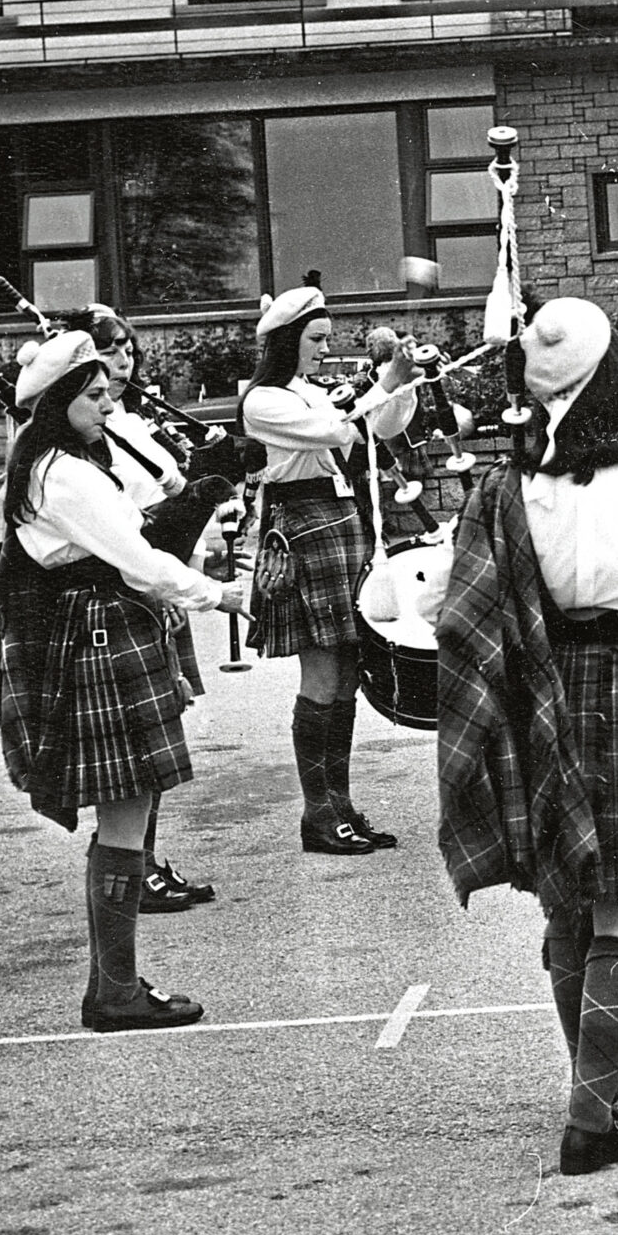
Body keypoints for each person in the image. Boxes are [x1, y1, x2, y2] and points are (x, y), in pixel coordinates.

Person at [431, 298, 618, 1176]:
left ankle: (590, 1093)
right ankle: (591, 1117)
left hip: (549, 695)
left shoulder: (512, 489)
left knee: (570, 903)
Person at [0, 332, 248, 1031]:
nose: (107, 402)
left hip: (105, 629)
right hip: (98, 633)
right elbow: (138, 559)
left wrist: (200, 494)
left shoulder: (69, 463)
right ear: (61, 402)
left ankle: (114, 984)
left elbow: (142, 522)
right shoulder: (61, 474)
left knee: (130, 806)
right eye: (93, 395)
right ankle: (114, 991)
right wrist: (218, 594)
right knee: (126, 806)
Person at [63, 302, 235, 912]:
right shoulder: (88, 438)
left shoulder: (130, 422)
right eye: (109, 350)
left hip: (163, 580)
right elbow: (130, 521)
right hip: (133, 587)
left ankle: (147, 863)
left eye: (127, 348)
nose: (123, 359)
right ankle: (136, 872)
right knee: (139, 751)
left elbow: (173, 489)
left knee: (157, 740)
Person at [240, 284, 417, 855]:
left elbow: (378, 428)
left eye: (326, 339)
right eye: (315, 339)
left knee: (345, 672)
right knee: (320, 674)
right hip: (305, 525)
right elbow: (336, 431)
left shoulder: (308, 392)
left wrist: (403, 382)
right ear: (287, 340)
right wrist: (380, 386)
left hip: (340, 523)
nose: (323, 348)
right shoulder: (264, 401)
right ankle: (318, 814)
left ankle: (338, 806)